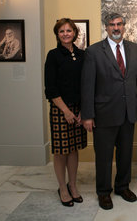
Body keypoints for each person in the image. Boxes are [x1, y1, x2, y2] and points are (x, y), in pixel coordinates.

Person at [81, 12, 137, 210]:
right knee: (104, 156)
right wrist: (88, 115)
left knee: (125, 154)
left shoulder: (134, 49)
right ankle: (103, 192)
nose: (116, 28)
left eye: (119, 24)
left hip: (128, 113)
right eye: (111, 25)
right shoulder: (94, 52)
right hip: (104, 114)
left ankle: (122, 187)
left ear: (124, 26)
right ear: (106, 28)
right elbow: (87, 86)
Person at [44, 18, 87, 207]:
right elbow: (50, 89)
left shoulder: (82, 54)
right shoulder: (53, 55)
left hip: (79, 109)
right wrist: (66, 111)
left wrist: (82, 110)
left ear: (75, 33)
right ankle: (62, 187)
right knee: (61, 151)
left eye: (69, 31)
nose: (65, 34)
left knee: (74, 149)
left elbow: (86, 85)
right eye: (61, 31)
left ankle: (73, 185)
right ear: (57, 34)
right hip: (60, 109)